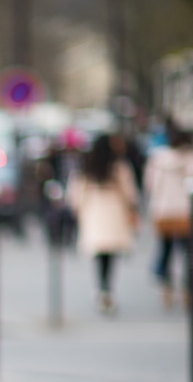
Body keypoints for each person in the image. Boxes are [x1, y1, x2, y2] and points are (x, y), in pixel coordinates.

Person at [66, 133, 139, 313]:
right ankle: (107, 289)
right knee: (111, 255)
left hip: (94, 213)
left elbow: (76, 193)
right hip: (114, 214)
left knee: (100, 255)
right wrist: (132, 209)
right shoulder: (120, 167)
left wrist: (78, 210)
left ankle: (102, 289)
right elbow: (130, 193)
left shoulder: (87, 167)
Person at [143, 125, 193, 309]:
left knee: (166, 250)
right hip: (186, 212)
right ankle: (188, 290)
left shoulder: (159, 160)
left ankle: (166, 286)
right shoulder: (190, 159)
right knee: (187, 253)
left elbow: (151, 187)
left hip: (164, 211)